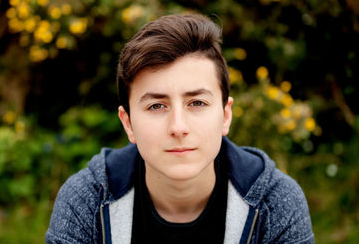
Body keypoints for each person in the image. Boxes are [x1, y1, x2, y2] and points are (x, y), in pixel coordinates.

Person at [46, 14, 314, 244]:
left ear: (225, 115)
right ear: (128, 123)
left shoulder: (276, 202)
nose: (178, 127)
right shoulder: (86, 201)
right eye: (156, 106)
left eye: (197, 103)